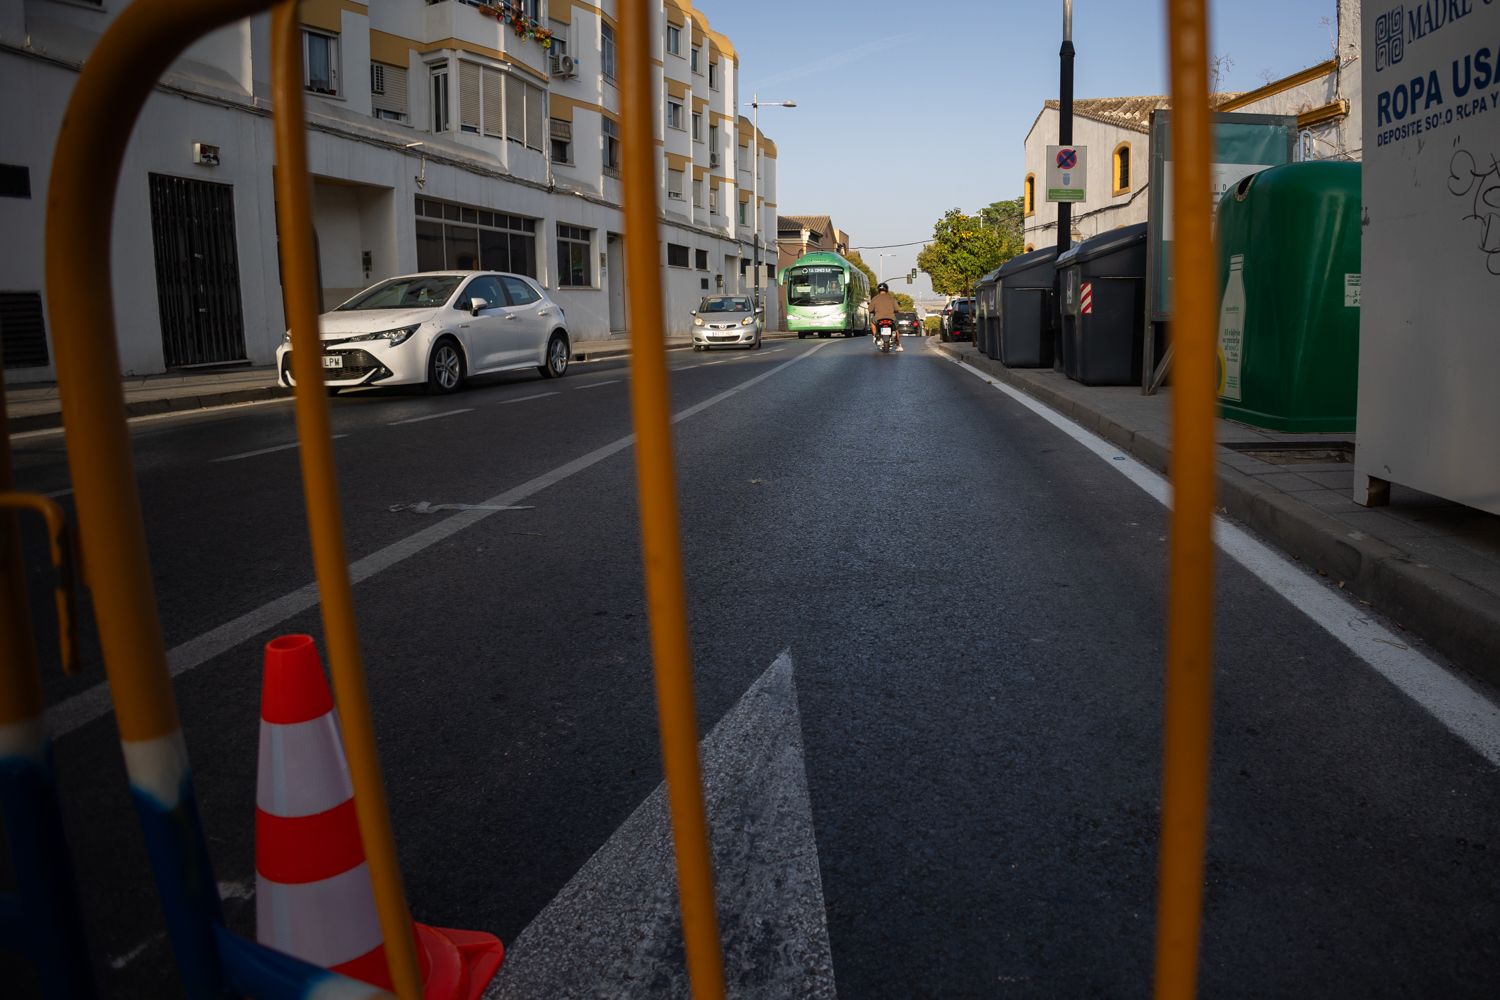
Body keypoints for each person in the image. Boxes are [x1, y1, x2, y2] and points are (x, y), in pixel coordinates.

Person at [868, 282, 902, 351]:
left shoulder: (874, 298)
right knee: (896, 329)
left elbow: (870, 309)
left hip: (878, 318)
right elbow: (897, 309)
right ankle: (898, 345)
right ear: (887, 290)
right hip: (891, 318)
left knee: (872, 323)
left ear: (878, 290)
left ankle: (875, 336)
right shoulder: (892, 298)